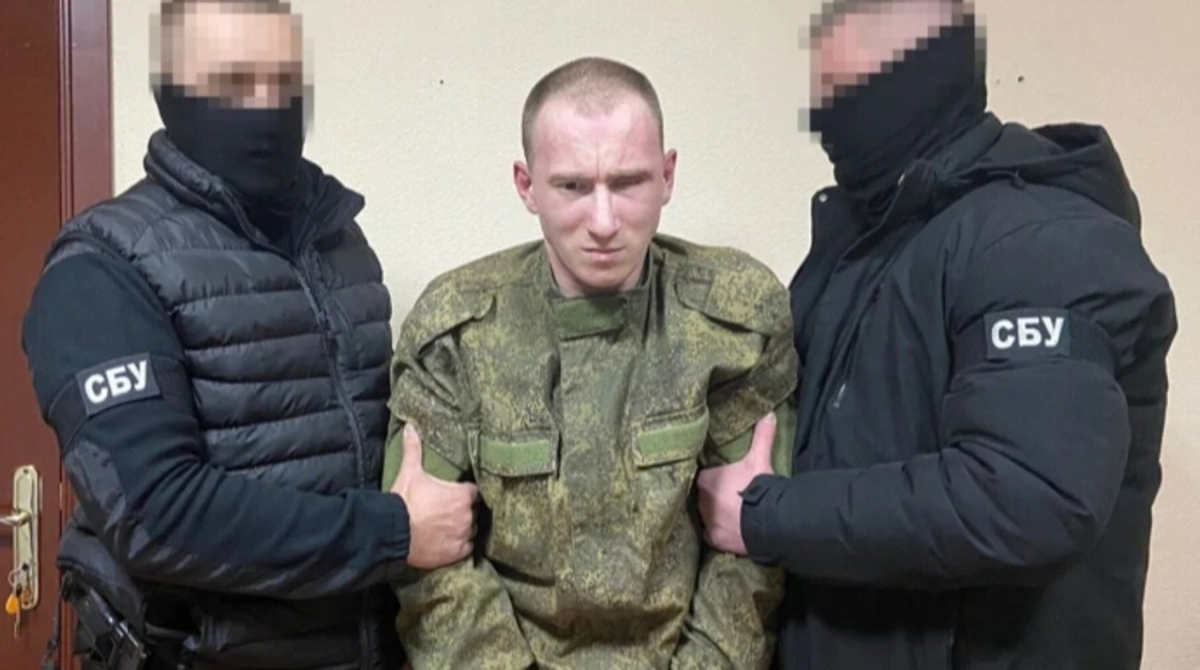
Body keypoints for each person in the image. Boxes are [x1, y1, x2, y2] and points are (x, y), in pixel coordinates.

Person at [696, 2, 1177, 669]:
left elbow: (1026, 498)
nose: (833, 119)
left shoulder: (1040, 238)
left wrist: (765, 518)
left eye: (854, 91)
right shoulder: (862, 247)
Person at [21, 1, 477, 667]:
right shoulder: (102, 267)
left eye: (282, 79)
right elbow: (154, 512)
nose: (265, 103)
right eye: (232, 79)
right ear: (170, 92)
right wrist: (392, 534)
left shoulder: (338, 241)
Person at [383, 57, 798, 669]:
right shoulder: (454, 329)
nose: (604, 223)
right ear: (527, 185)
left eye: (628, 183)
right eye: (572, 187)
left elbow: (752, 561)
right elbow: (430, 570)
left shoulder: (735, 318)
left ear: (667, 176)